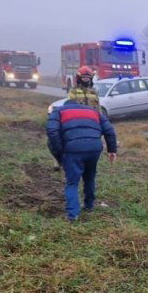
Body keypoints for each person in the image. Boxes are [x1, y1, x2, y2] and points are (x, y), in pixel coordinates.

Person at [45, 88, 117, 221]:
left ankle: (73, 214)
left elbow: (52, 132)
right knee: (89, 178)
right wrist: (112, 150)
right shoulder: (92, 111)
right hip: (94, 149)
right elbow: (109, 130)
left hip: (72, 151)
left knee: (72, 183)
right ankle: (89, 205)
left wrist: (60, 153)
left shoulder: (58, 111)